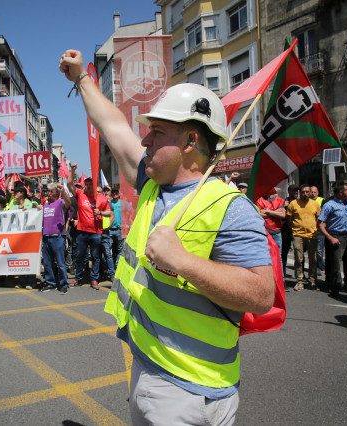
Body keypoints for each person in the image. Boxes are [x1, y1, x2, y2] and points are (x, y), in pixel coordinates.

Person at [60, 49, 274, 424]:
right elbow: (113, 127)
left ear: (190, 140)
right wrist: (82, 79)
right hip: (146, 362)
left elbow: (260, 295)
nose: (145, 142)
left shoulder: (231, 207)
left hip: (192, 388)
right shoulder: (151, 184)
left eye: (157, 132)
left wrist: (183, 261)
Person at [317, 182, 347, 297]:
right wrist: (330, 238)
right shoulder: (329, 205)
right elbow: (320, 224)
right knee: (336, 264)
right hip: (337, 236)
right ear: (340, 193)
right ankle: (336, 287)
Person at [66, 167, 112, 291]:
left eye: (90, 184)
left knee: (96, 257)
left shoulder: (102, 198)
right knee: (80, 257)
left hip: (96, 233)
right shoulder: (80, 195)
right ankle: (78, 278)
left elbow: (109, 212)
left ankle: (94, 279)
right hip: (82, 231)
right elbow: (69, 184)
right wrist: (72, 171)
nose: (87, 187)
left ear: (94, 185)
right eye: (86, 184)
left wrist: (101, 213)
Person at [38, 182, 72, 294]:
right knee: (47, 263)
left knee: (61, 263)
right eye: (48, 191)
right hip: (46, 237)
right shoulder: (45, 205)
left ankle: (63, 284)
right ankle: (50, 283)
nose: (49, 193)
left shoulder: (61, 202)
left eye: (52, 192)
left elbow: (69, 202)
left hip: (58, 237)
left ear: (57, 194)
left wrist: (63, 191)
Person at [286, 184, 321, 291]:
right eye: (303, 192)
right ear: (299, 193)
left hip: (312, 235)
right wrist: (294, 228)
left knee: (313, 259)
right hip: (298, 235)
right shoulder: (293, 203)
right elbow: (289, 218)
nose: (305, 194)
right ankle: (299, 281)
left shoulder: (315, 204)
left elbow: (319, 219)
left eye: (307, 192)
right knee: (298, 259)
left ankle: (312, 281)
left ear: (310, 193)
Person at [255, 188, 285, 259]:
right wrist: (275, 211)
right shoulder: (259, 200)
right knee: (265, 256)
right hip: (264, 232)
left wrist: (269, 211)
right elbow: (259, 215)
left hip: (276, 232)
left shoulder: (279, 200)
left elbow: (283, 215)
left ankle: (278, 270)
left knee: (278, 256)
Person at [281, 184, 299, 276]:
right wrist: (283, 207)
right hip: (286, 230)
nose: (296, 192)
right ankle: (283, 272)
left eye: (296, 190)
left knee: (299, 254)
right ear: (289, 192)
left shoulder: (300, 202)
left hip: (298, 230)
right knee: (284, 252)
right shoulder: (285, 202)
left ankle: (299, 274)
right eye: (293, 190)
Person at [310, 185, 325, 275]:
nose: (313, 194)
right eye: (311, 192)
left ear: (318, 193)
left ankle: (320, 266)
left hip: (319, 229)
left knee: (319, 250)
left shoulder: (322, 200)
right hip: (310, 229)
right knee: (312, 251)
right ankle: (315, 266)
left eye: (315, 192)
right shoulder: (307, 201)